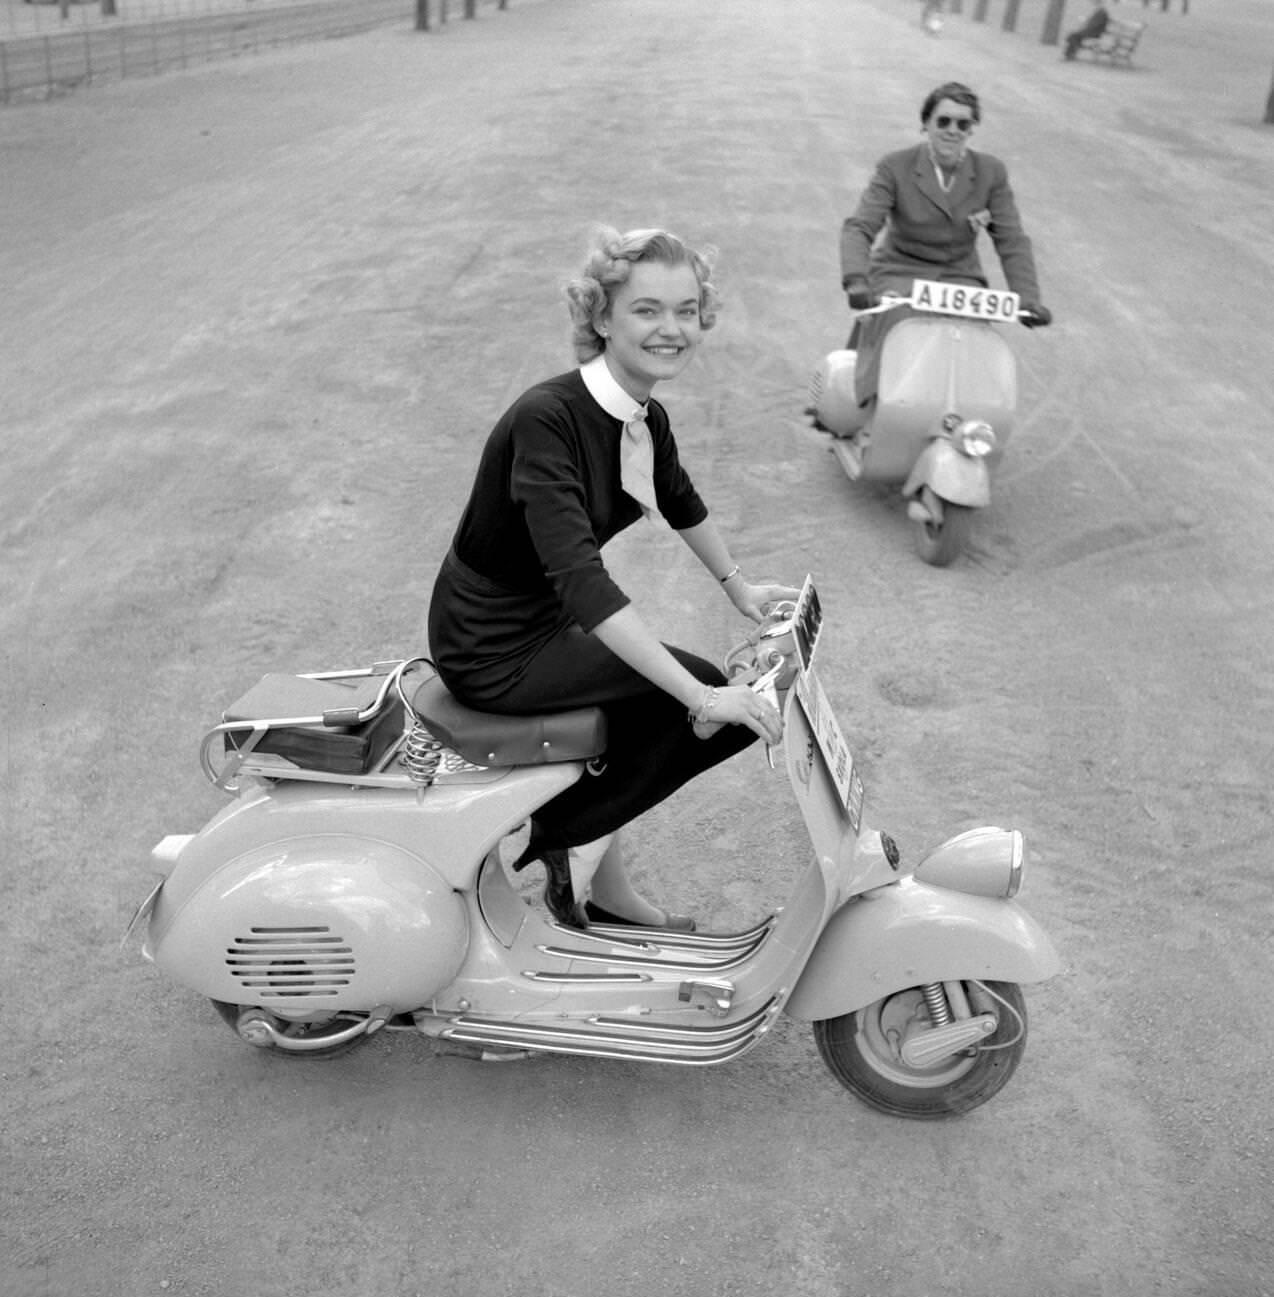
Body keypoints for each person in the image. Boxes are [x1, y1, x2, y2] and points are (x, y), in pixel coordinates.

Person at [427, 226, 798, 933]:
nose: (673, 328)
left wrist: (740, 589)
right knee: (700, 707)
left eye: (687, 310)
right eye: (648, 310)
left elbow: (678, 495)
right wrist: (701, 695)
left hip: (540, 622)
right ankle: (560, 834)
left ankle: (604, 891)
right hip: (491, 643)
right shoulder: (550, 420)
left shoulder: (640, 415)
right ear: (601, 317)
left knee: (662, 700)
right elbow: (583, 583)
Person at [839, 81, 1051, 414]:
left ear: (971, 130)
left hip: (959, 277)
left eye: (963, 124)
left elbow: (1011, 239)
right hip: (901, 271)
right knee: (903, 320)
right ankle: (874, 409)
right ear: (926, 124)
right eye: (944, 121)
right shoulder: (896, 167)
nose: (953, 130)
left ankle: (962, 414)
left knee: (973, 334)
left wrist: (1028, 298)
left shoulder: (990, 172)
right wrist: (856, 278)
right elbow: (861, 226)